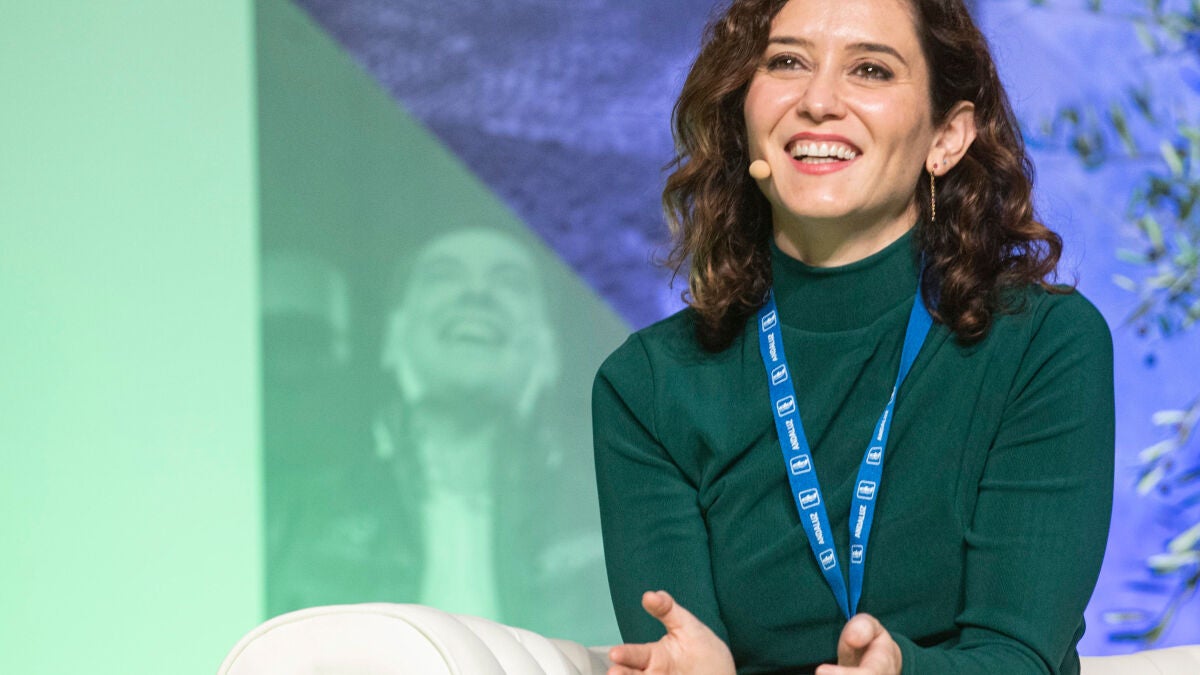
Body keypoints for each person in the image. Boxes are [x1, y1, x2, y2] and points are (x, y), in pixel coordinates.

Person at [591, 1, 1114, 674]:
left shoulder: (1042, 345)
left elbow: (1021, 658)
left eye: (870, 70)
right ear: (744, 115)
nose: (818, 101)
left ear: (946, 137)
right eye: (787, 62)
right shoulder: (647, 385)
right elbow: (678, 645)